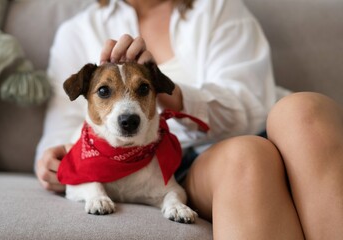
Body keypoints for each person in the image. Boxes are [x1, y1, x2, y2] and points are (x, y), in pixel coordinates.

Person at [35, 0, 343, 239]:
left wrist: (170, 91)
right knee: (246, 156)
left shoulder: (216, 7)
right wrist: (52, 161)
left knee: (304, 110)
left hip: (274, 132)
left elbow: (255, 105)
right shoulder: (78, 30)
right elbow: (59, 131)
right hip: (179, 161)